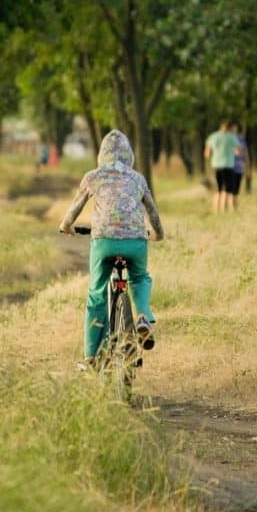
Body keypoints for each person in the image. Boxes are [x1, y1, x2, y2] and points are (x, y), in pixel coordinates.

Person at [59, 130, 164, 367]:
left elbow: (74, 210)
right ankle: (143, 317)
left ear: (101, 155)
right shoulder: (138, 179)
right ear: (130, 155)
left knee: (97, 292)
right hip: (136, 241)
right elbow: (153, 213)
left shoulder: (93, 176)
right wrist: (158, 234)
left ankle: (90, 355)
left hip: (104, 241)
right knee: (140, 277)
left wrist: (66, 226)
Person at [204, 120, 240, 212]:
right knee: (227, 189)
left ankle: (216, 209)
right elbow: (237, 152)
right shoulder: (232, 137)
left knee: (218, 189)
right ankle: (224, 209)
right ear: (230, 127)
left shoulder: (213, 136)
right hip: (228, 165)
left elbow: (207, 154)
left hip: (216, 165)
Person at [230, 122, 250, 210]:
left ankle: (234, 207)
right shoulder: (226, 139)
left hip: (239, 166)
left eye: (235, 128)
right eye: (232, 128)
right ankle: (229, 207)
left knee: (236, 189)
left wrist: (247, 165)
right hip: (229, 166)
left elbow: (245, 153)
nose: (234, 129)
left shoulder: (241, 139)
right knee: (229, 189)